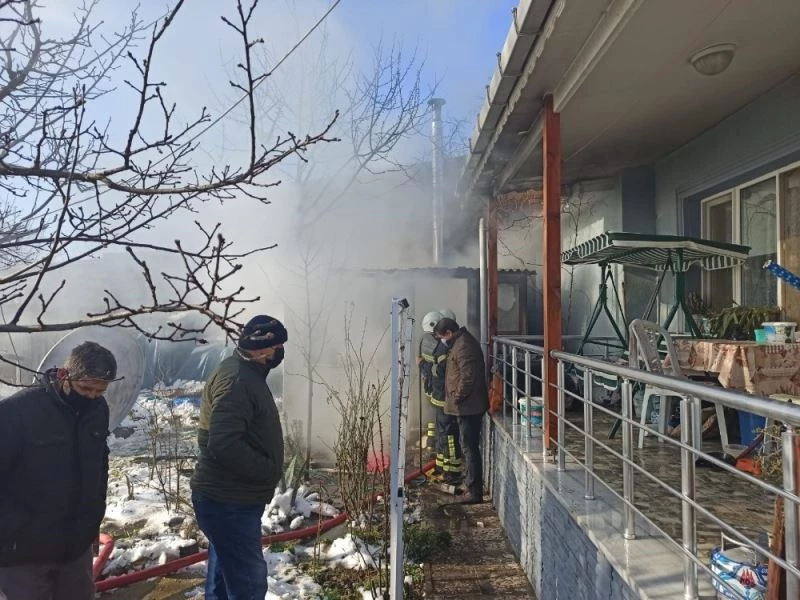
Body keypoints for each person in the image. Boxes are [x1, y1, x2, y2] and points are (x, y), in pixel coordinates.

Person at [0, 341, 118, 600]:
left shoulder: (98, 410)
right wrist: (11, 529)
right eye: (85, 388)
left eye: (100, 391)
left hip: (76, 548)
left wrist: (94, 512)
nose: (91, 397)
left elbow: (100, 463)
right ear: (65, 374)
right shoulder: (16, 413)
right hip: (24, 553)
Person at [191, 314, 287, 600]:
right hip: (228, 501)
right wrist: (267, 470)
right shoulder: (237, 381)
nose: (280, 352)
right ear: (262, 349)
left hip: (229, 498)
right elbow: (223, 443)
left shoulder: (245, 374)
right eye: (277, 347)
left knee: (223, 578)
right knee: (248, 585)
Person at [433, 317, 488, 504]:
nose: (442, 340)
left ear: (449, 333)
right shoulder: (460, 343)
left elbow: (467, 377)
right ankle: (470, 484)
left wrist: (457, 397)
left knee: (469, 448)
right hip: (466, 406)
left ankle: (474, 492)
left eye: (442, 337)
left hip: (468, 407)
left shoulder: (463, 345)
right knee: (468, 447)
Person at [418, 311, 461, 485]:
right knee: (443, 433)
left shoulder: (444, 348)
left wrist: (424, 366)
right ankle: (443, 467)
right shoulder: (441, 346)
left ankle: (452, 472)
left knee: (448, 435)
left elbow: (441, 372)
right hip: (439, 396)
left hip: (443, 397)